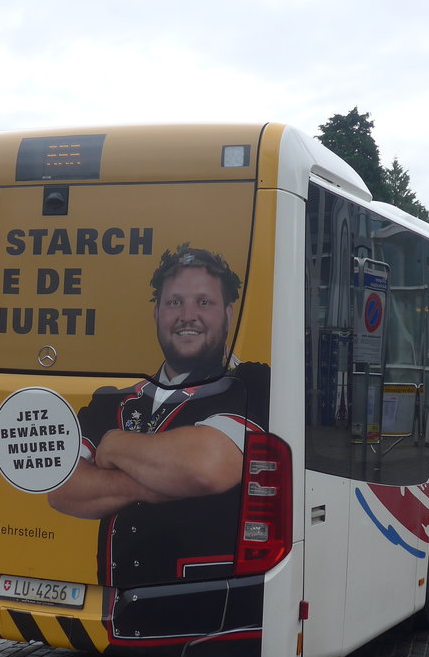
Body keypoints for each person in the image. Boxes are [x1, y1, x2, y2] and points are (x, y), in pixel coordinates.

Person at [48, 244, 269, 588]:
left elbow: (204, 467)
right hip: (115, 615)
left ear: (228, 314)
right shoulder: (113, 399)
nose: (187, 315)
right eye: (174, 302)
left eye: (204, 302)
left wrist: (113, 445)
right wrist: (160, 480)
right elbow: (60, 486)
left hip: (208, 612)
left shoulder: (252, 383)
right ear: (156, 313)